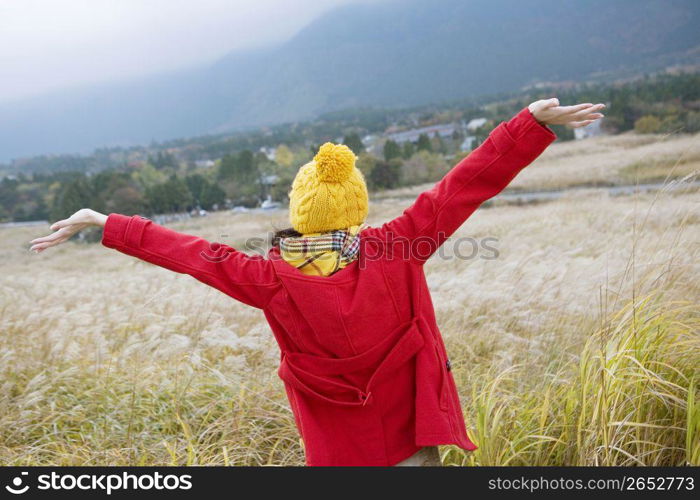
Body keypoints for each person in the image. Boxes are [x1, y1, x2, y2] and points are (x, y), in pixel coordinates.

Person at [30, 99, 604, 466]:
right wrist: (526, 127)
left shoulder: (268, 278)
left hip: (336, 459)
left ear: (299, 213)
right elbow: (461, 188)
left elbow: (191, 254)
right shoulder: (397, 248)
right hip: (412, 442)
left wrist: (106, 222)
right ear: (356, 209)